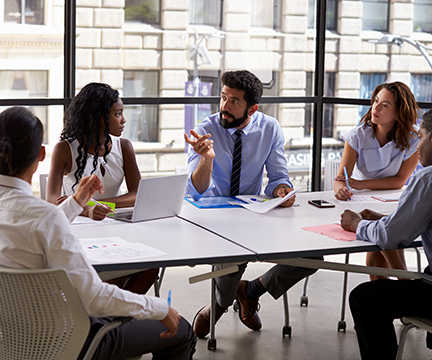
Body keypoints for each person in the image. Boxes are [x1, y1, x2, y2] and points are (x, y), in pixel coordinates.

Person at [0, 106, 196, 360]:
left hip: (10, 338)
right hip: (67, 339)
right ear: (40, 155)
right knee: (181, 331)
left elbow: (39, 224)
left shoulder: (39, 216)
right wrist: (159, 308)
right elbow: (94, 299)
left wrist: (76, 202)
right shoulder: (43, 217)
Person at [340, 105, 432, 360]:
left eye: (422, 136)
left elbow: (390, 238)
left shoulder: (431, 177)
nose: (417, 146)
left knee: (364, 298)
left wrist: (356, 224)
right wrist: (393, 217)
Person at [184, 70, 316, 338]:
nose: (225, 106)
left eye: (234, 101)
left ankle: (251, 290)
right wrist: (206, 159)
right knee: (231, 259)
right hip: (213, 216)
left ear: (252, 108)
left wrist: (282, 191)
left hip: (252, 212)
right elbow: (195, 191)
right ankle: (219, 307)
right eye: (223, 97)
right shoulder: (204, 130)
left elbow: (278, 178)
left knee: (311, 258)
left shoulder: (270, 128)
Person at [47, 82, 158, 295]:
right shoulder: (64, 149)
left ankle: (116, 320)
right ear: (99, 117)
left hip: (116, 227)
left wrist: (98, 204)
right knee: (117, 271)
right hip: (79, 229)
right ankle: (110, 320)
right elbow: (52, 201)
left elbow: (138, 195)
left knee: (151, 267)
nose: (124, 120)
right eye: (118, 114)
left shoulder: (124, 146)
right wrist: (86, 209)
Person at [335, 82, 420, 281]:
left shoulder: (413, 139)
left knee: (381, 235)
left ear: (399, 113)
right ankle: (403, 284)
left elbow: (399, 181)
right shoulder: (357, 136)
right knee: (379, 246)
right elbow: (341, 180)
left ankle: (402, 285)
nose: (376, 107)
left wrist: (361, 184)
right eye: (375, 101)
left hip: (394, 200)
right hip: (363, 201)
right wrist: (341, 188)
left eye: (385, 105)